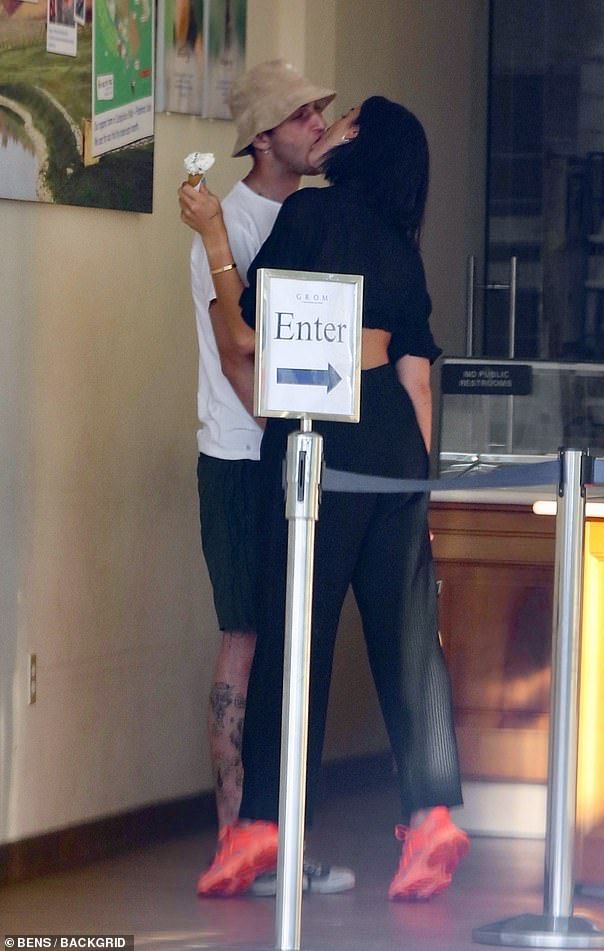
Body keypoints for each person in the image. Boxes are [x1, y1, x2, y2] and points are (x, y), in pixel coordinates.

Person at [182, 96, 471, 901]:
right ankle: (433, 818)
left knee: (293, 634)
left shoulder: (310, 218)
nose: (334, 131)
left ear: (362, 147)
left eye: (349, 125)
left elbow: (245, 332)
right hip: (393, 446)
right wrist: (416, 492)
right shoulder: (402, 251)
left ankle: (260, 826)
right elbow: (417, 380)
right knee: (412, 646)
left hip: (322, 436)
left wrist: (212, 239)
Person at [179, 60, 354, 897]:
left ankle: (275, 836)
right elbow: (241, 358)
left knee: (291, 652)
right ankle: (234, 837)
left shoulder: (316, 214)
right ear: (262, 136)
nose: (319, 123)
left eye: (322, 111)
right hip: (244, 461)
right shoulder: (232, 228)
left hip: (299, 458)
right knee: (246, 644)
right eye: (303, 114)